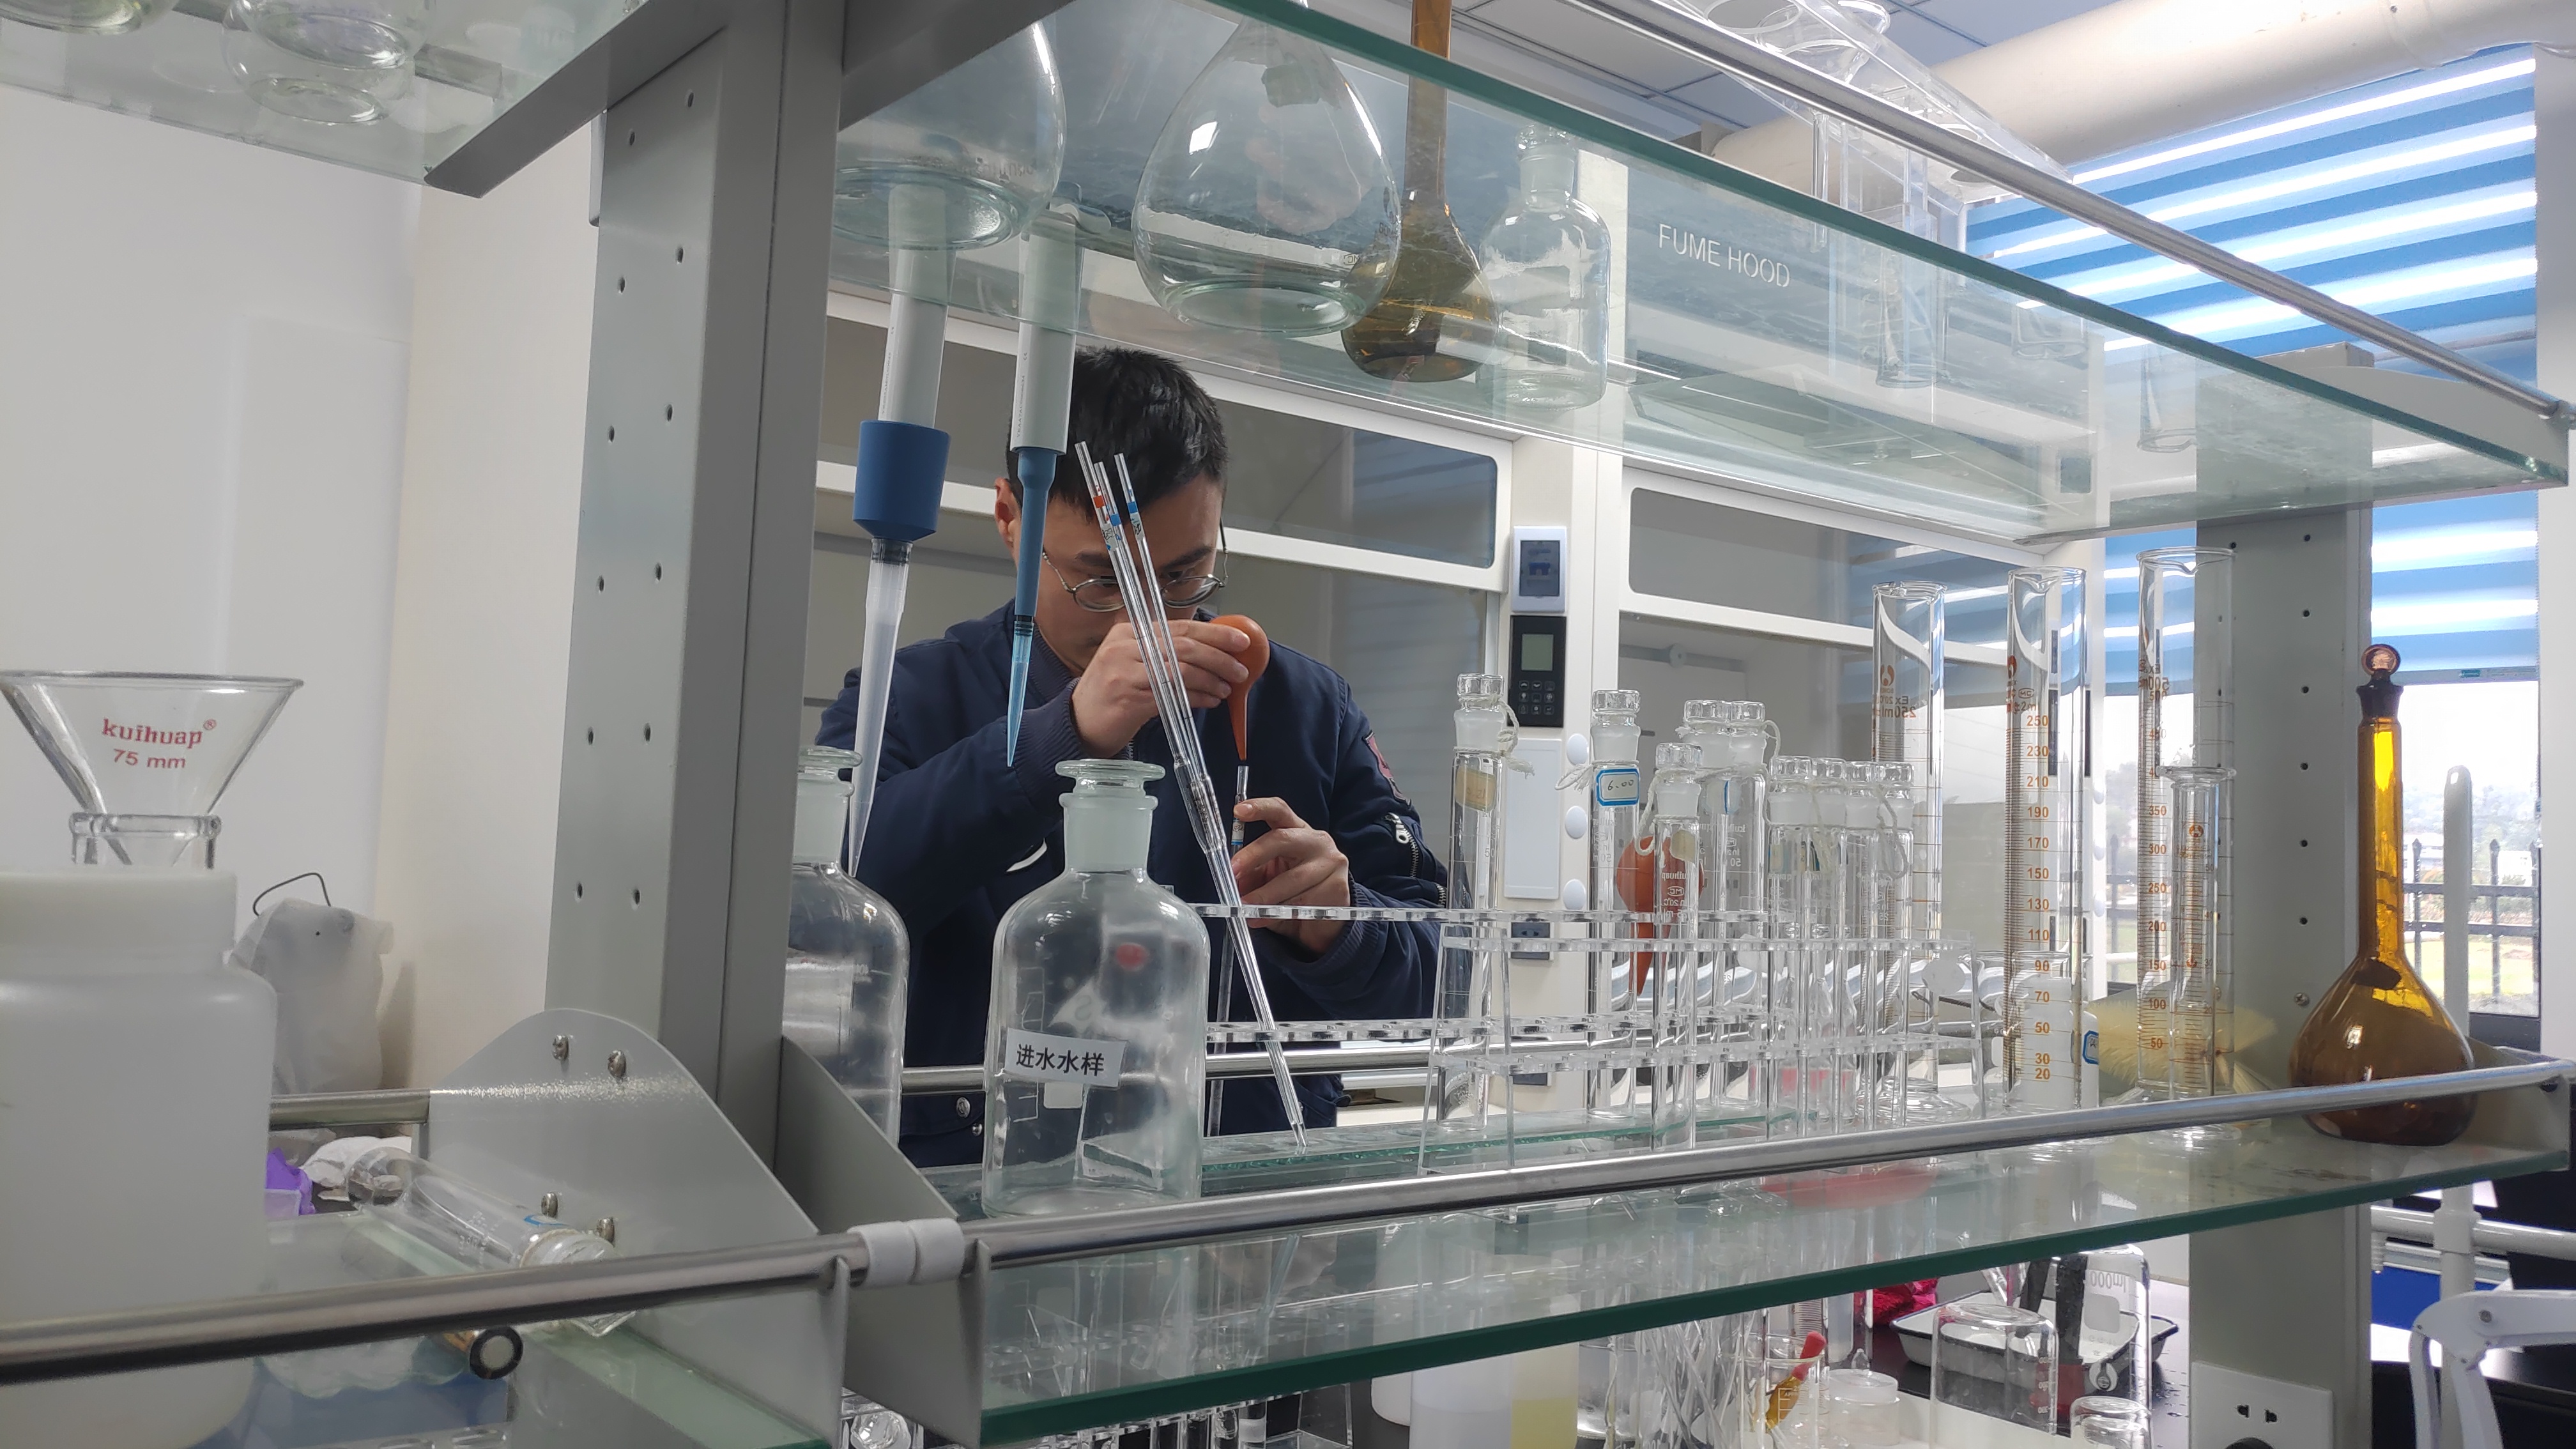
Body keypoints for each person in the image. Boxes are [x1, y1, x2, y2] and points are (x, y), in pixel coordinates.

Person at [818, 346, 1444, 1167]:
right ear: (1011, 518)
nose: (1147, 617)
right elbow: (823, 906)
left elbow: (1444, 971)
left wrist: (1341, 925)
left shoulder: (1305, 709)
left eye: (1185, 574)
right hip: (988, 1188)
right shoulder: (911, 697)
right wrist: (1059, 736)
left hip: (1242, 1188)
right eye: (1102, 581)